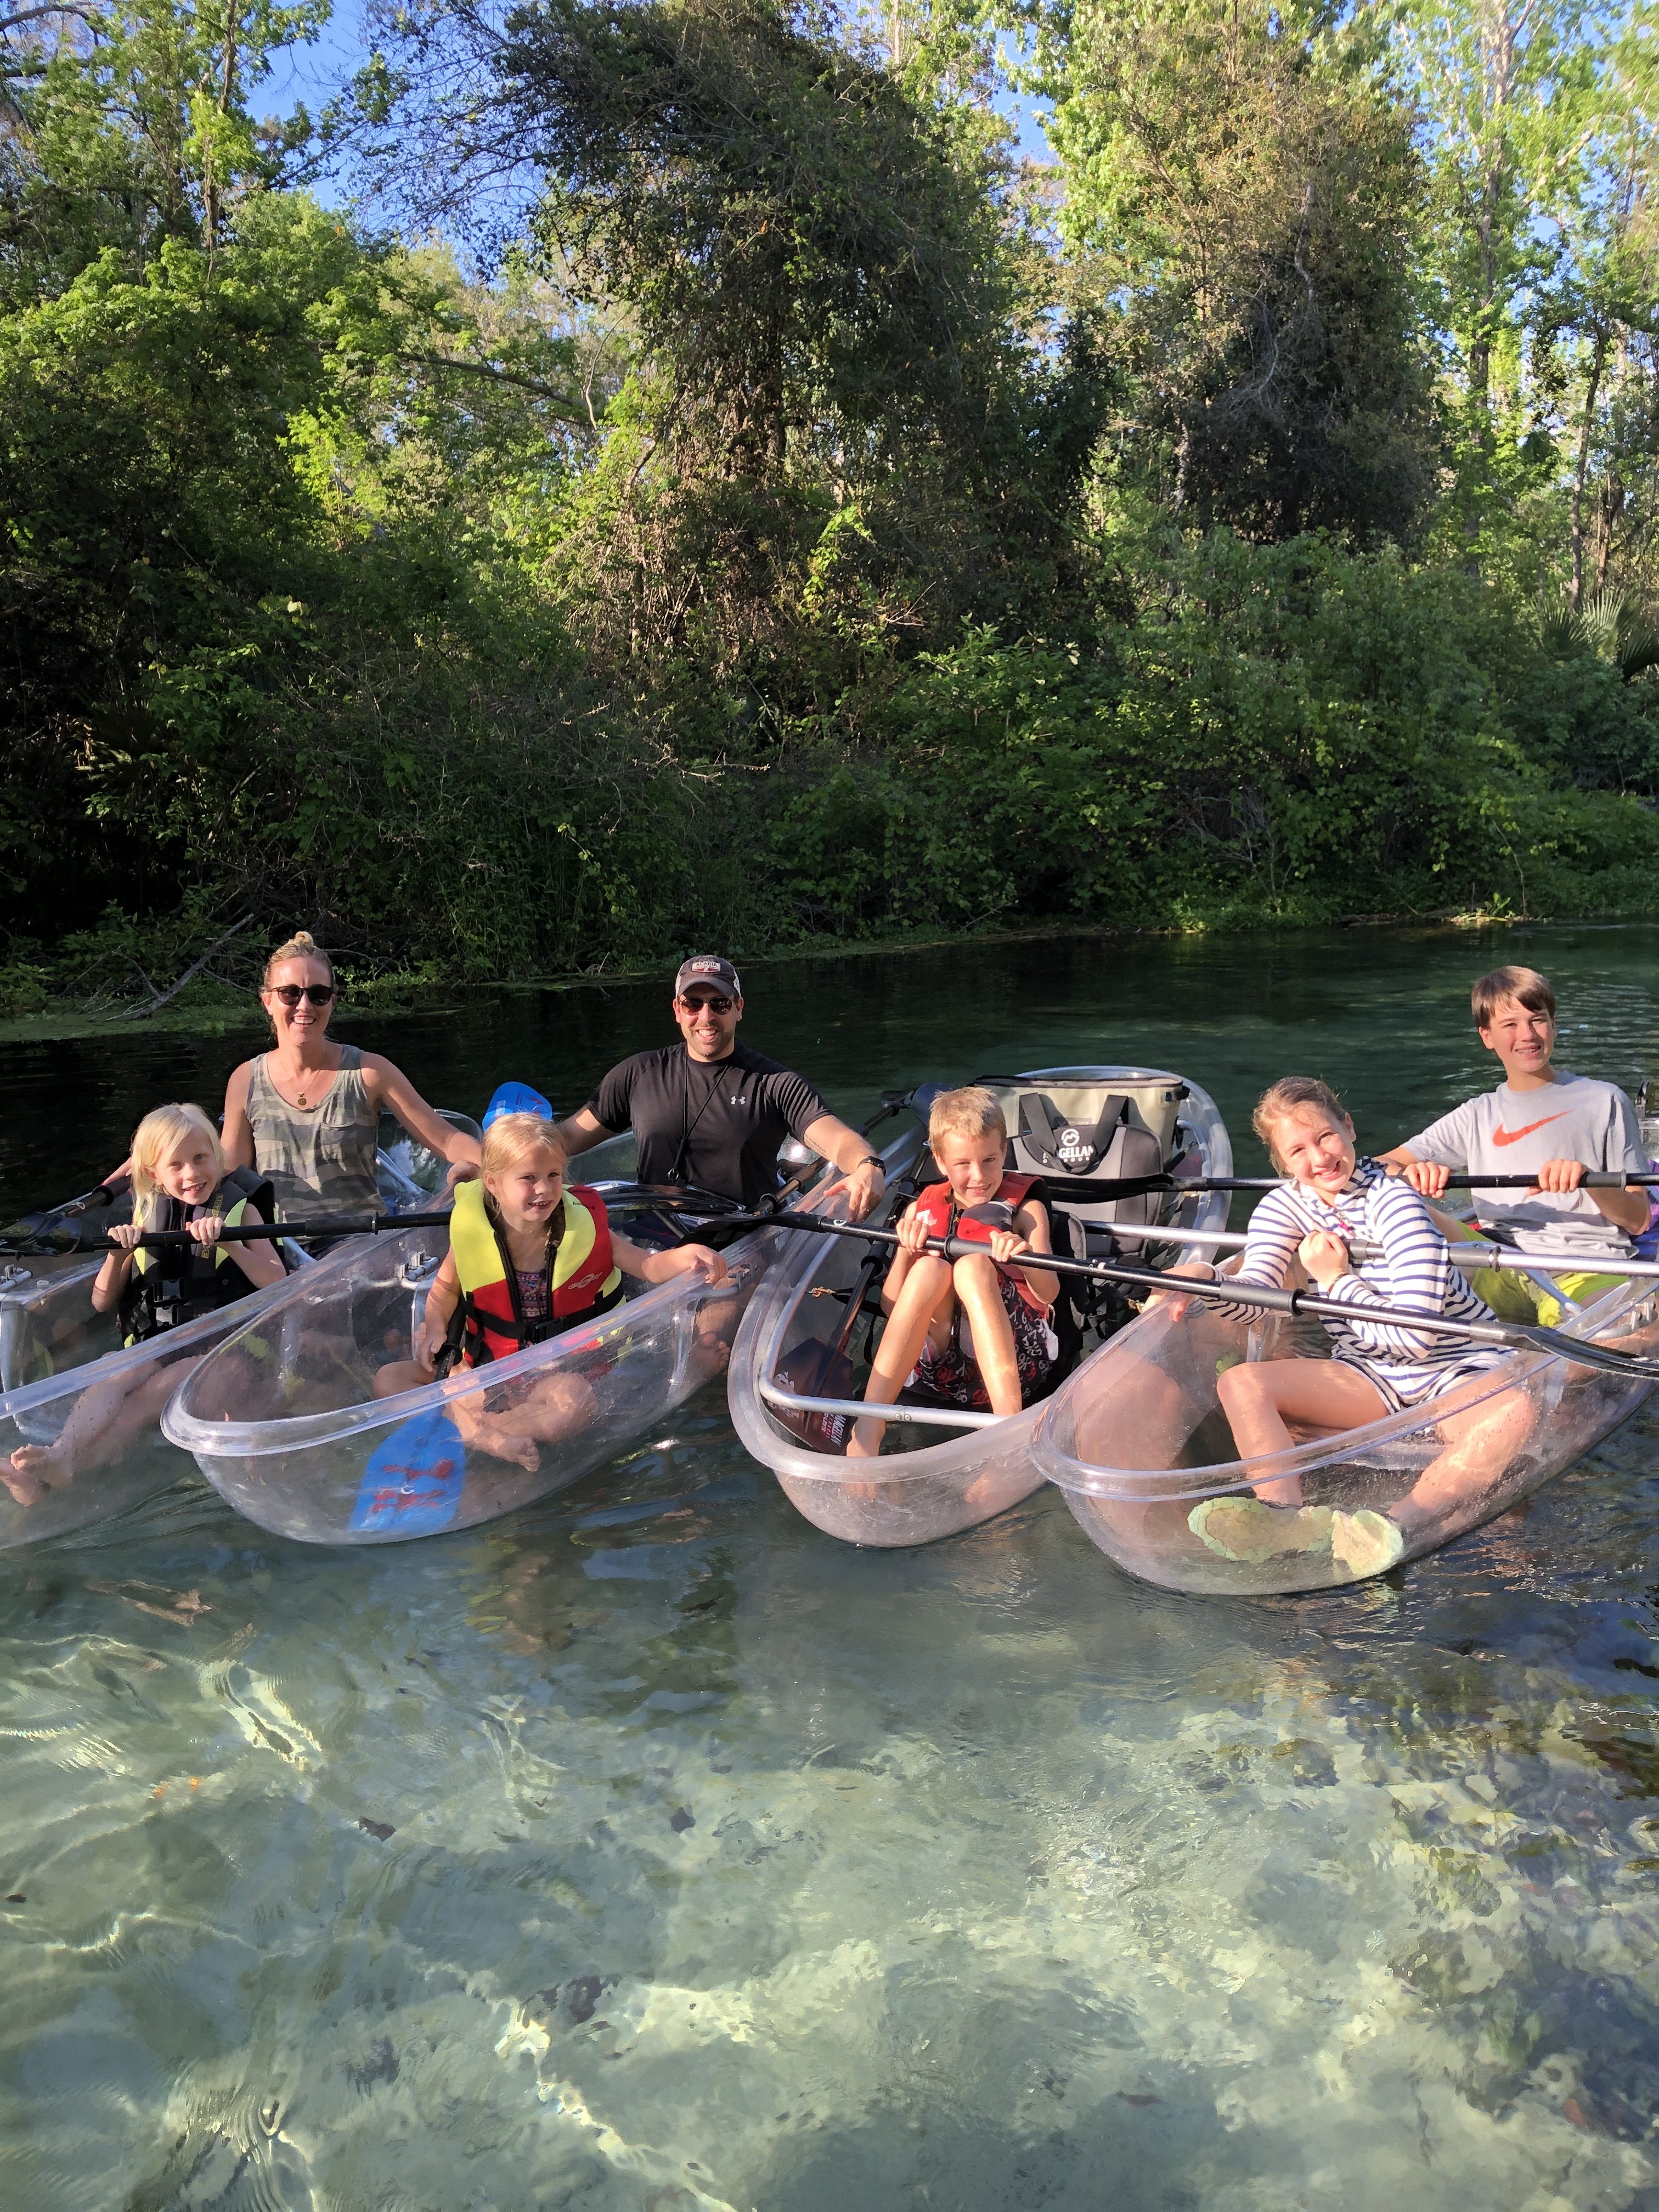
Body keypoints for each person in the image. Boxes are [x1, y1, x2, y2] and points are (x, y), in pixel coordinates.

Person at [1180, 1077, 1533, 1581]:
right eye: (1297, 1150)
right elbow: (1257, 1301)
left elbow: (1416, 1337)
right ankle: (1282, 1518)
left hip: (1457, 1365)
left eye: (1325, 1137)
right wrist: (1207, 1282)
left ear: (1347, 1127)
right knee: (1240, 1382)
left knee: (1513, 1413)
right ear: (1282, 1163)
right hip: (1371, 1373)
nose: (1319, 1158)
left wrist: (1336, 1279)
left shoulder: (1398, 1203)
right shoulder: (1284, 1208)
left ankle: (1394, 1524)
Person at [372, 1113, 730, 1473]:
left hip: (558, 1375)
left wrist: (683, 1257)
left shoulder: (585, 1225)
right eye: (528, 1178)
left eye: (553, 1176)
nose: (543, 1189)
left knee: (575, 1404)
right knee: (389, 1380)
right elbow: (445, 1289)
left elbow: (648, 1267)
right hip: (488, 1371)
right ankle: (483, 1435)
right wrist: (435, 1328)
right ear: (493, 1184)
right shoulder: (473, 1228)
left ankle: (471, 1430)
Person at [2, 1105, 287, 1505]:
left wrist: (229, 1244)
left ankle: (53, 1479)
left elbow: (279, 1283)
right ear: (154, 1175)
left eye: (201, 1159)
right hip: (158, 1344)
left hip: (228, 1350)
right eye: (177, 1165)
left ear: (216, 1157)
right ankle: (59, 1455)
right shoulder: (145, 1214)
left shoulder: (242, 1210)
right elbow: (102, 1303)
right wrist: (117, 1256)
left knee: (151, 1395)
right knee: (111, 1369)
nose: (192, 1174)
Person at [1376, 964, 1649, 1322]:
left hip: (1584, 1265)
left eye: (1537, 1020)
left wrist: (1588, 1179)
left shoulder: (1605, 1101)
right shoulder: (1475, 1114)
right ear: (1487, 1036)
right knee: (1402, 1205)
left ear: (1553, 1025)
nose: (1528, 1034)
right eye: (1510, 1025)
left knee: (1607, 1335)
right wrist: (1412, 1172)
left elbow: (1640, 1219)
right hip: (1497, 1260)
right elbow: (1376, 1166)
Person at [556, 955, 887, 1218]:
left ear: (739, 1008)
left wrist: (867, 1167)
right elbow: (568, 1137)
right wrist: (510, 1148)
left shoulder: (774, 1083)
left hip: (740, 1238)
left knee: (718, 1305)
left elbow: (840, 1141)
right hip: (652, 1238)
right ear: (677, 1011)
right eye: (693, 1004)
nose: (706, 1016)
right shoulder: (638, 1074)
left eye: (720, 1004)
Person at [845, 1086, 1059, 1458]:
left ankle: (1009, 1433)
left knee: (974, 1266)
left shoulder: (1026, 1210)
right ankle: (869, 1428)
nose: (979, 1176)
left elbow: (1049, 1295)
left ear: (1004, 1152)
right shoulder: (920, 1210)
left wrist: (1023, 1258)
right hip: (942, 1370)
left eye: (990, 1160)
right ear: (942, 1163)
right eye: (963, 1164)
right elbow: (892, 1308)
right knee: (929, 1267)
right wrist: (906, 1253)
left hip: (1019, 1364)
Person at [219, 929, 482, 1226]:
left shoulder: (370, 1072)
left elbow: (447, 1139)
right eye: (290, 994)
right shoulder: (245, 1080)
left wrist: (504, 1168)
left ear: (332, 1002)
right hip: (281, 1253)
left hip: (362, 1248)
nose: (304, 1006)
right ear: (268, 1001)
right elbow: (231, 1177)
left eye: (318, 995)